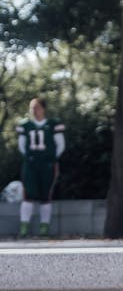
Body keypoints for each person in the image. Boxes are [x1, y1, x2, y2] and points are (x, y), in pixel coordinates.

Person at [16, 97, 65, 237]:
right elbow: (21, 146)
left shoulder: (53, 124)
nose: (34, 110)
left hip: (48, 164)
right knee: (28, 194)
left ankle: (44, 229)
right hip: (31, 164)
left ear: (43, 108)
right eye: (32, 108)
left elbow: (60, 145)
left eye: (37, 107)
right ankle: (24, 228)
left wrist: (52, 159)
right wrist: (30, 158)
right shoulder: (25, 125)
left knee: (46, 195)